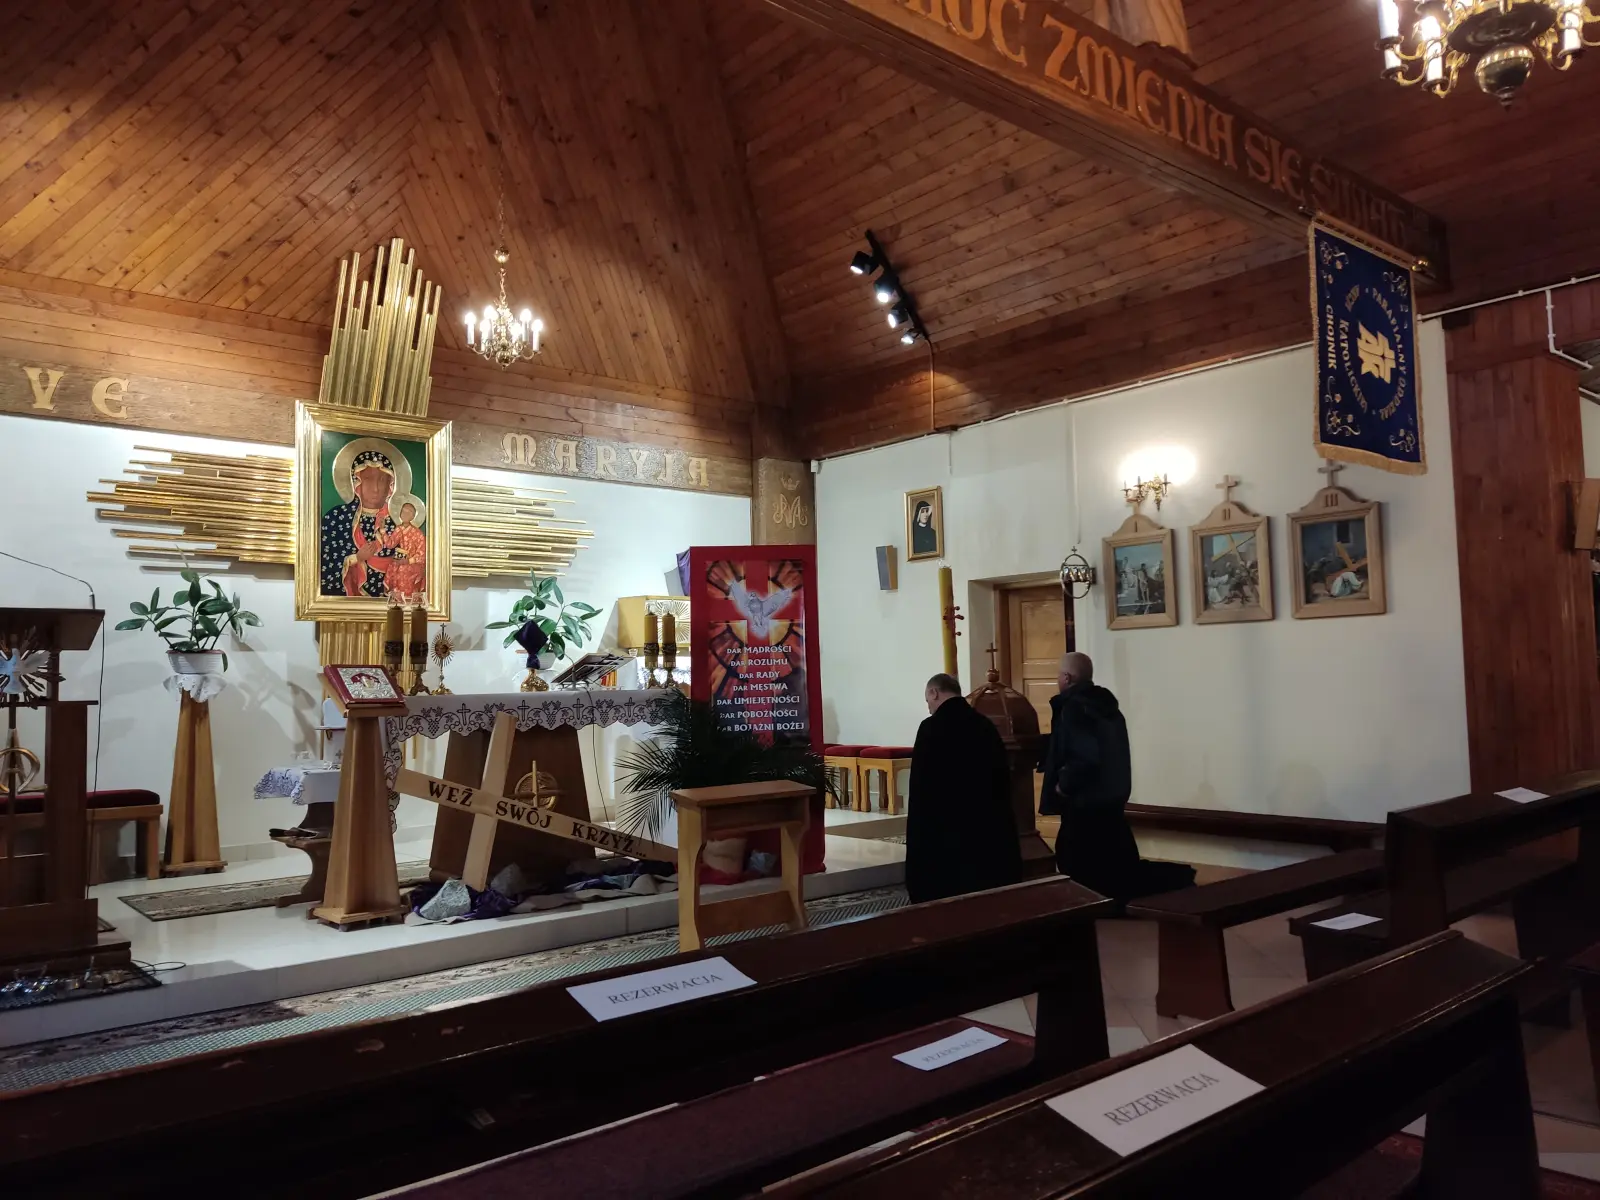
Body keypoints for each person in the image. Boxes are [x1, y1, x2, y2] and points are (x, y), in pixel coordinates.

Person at [905, 673, 1023, 904]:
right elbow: (1001, 779)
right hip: (984, 829)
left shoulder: (931, 728)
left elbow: (921, 789)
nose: (929, 707)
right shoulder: (985, 725)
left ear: (934, 693)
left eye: (927, 700)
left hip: (945, 835)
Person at [1038, 651, 1144, 900]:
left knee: (1077, 864)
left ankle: (1087, 908)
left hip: (1083, 803)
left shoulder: (1074, 708)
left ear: (1067, 677)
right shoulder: (1107, 707)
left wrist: (1063, 786)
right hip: (1110, 797)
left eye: (1058, 675)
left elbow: (1083, 756)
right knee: (1112, 862)